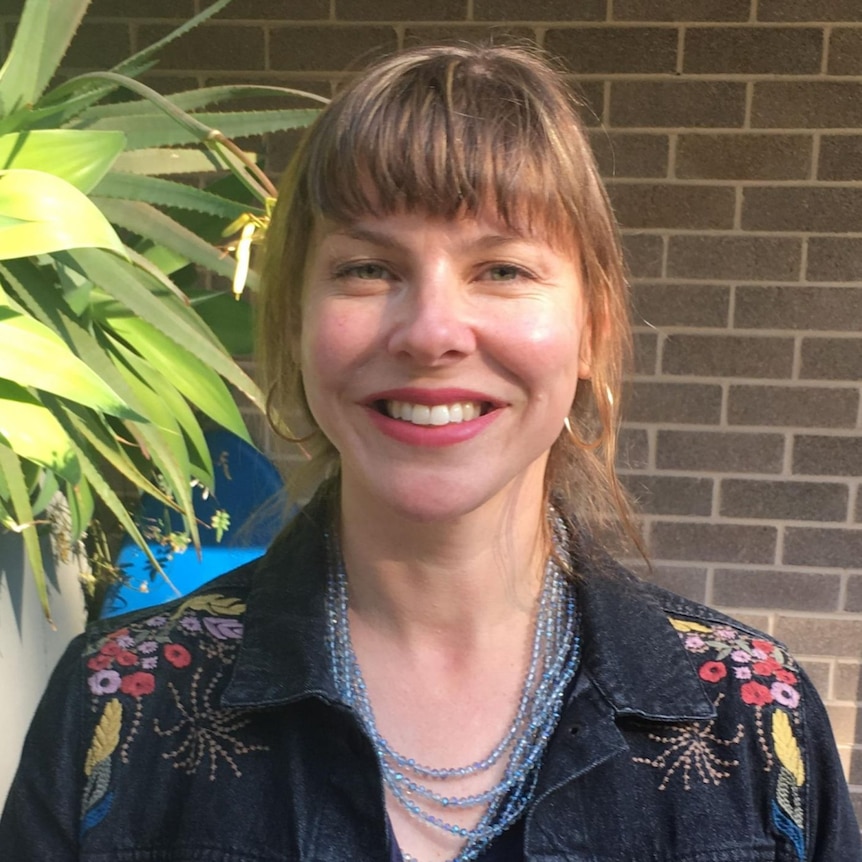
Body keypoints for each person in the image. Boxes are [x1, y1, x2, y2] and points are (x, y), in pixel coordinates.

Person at [1, 44, 859, 862]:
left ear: (591, 330)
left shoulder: (751, 722)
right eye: (368, 268)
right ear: (295, 328)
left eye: (503, 269)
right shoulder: (121, 707)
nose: (432, 331)